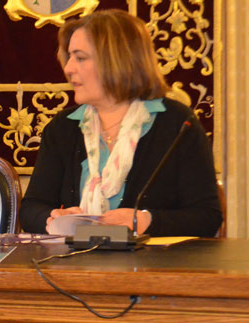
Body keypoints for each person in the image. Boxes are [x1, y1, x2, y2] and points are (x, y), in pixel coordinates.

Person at [19, 9, 222, 237]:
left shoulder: (177, 124)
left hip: (155, 260)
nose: (68, 68)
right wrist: (53, 218)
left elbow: (207, 216)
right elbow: (31, 208)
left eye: (80, 58)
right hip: (75, 259)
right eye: (70, 57)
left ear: (116, 60)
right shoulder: (62, 127)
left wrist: (146, 221)